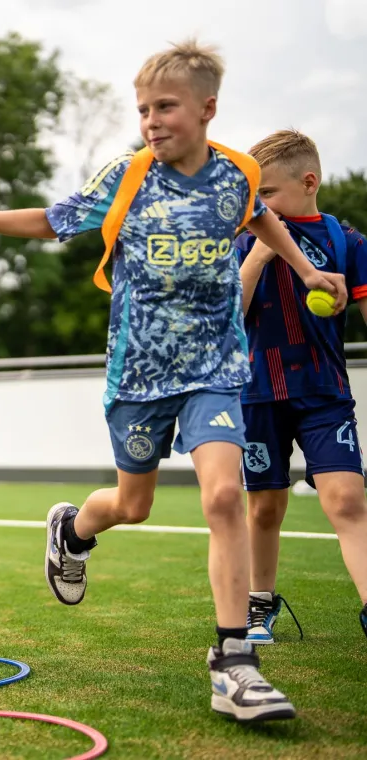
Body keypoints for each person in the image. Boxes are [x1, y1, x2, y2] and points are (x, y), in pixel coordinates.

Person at [0, 40, 346, 722]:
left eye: (167, 106)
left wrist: (304, 269)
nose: (152, 119)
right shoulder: (126, 175)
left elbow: (260, 215)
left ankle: (234, 661)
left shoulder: (238, 173)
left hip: (214, 366)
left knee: (221, 499)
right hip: (140, 374)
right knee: (134, 505)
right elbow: (53, 219)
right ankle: (73, 530)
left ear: (208, 109)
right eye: (144, 108)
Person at [233, 128, 367, 645]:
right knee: (265, 507)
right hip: (257, 396)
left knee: (347, 501)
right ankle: (258, 605)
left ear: (309, 182)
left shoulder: (347, 243)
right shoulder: (244, 242)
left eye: (266, 194)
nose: (258, 206)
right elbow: (229, 316)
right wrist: (262, 255)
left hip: (325, 396)